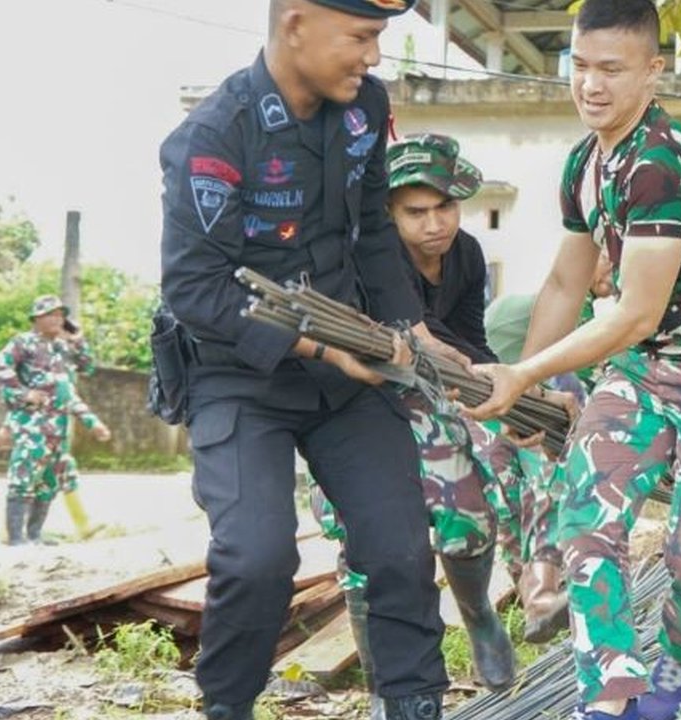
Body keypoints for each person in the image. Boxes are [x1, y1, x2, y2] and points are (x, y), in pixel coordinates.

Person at [466, 1, 681, 717]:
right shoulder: (586, 162)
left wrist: (524, 372)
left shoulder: (661, 161)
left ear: (652, 72)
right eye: (579, 66)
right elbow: (565, 284)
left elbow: (635, 310)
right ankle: (609, 695)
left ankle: (678, 665)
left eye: (611, 69)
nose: (591, 85)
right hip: (638, 372)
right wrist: (523, 389)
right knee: (585, 520)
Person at [158, 1, 460, 717]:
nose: (374, 57)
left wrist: (413, 329)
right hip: (238, 375)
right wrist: (324, 344)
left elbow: (371, 232)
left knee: (399, 547)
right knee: (256, 558)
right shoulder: (212, 138)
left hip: (346, 374)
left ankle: (413, 703)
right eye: (362, 37)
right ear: (295, 24)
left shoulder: (364, 109)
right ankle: (227, 707)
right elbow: (196, 291)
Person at [307, 134, 548, 700]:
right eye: (416, 212)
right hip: (362, 403)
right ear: (389, 213)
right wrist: (460, 363)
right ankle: (384, 692)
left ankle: (479, 615)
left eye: (445, 206)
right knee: (369, 544)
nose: (435, 224)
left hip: (435, 397)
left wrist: (505, 386)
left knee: (468, 522)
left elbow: (467, 338)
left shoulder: (466, 254)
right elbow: (411, 337)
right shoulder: (372, 256)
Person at [482, 251, 615, 644]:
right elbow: (585, 379)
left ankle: (536, 604)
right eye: (609, 259)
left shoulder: (557, 310)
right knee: (544, 495)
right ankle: (540, 601)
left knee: (515, 507)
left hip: (494, 413)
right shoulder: (565, 312)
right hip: (514, 412)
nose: (616, 270)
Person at [0, 295, 111, 545]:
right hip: (32, 425)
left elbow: (86, 369)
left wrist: (78, 339)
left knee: (49, 483)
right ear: (36, 318)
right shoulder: (24, 342)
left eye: (60, 315)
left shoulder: (62, 348)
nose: (57, 319)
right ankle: (16, 539)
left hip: (58, 428)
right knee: (23, 478)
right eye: (50, 314)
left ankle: (34, 535)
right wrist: (24, 394)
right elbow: (0, 365)